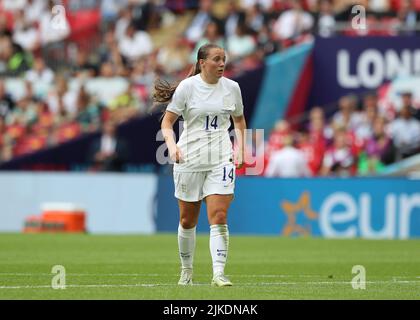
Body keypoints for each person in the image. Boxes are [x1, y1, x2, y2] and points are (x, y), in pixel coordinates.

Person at [153, 43, 247, 287]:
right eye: (216, 59)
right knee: (187, 221)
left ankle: (219, 273)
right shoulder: (187, 87)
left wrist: (241, 149)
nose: (222, 64)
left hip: (221, 159)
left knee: (219, 215)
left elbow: (239, 121)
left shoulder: (232, 88)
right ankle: (186, 270)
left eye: (224, 59)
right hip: (190, 159)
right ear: (202, 62)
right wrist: (172, 147)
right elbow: (167, 123)